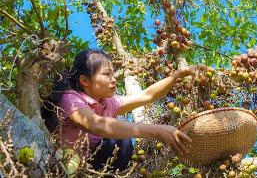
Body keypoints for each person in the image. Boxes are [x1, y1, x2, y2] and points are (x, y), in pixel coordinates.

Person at [41, 49, 197, 172]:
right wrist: (157, 130)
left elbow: (147, 95)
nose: (114, 79)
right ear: (85, 81)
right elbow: (97, 125)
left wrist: (177, 75)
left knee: (121, 143)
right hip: (65, 168)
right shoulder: (70, 99)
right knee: (120, 141)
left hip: (94, 166)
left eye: (113, 73)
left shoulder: (108, 103)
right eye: (107, 74)